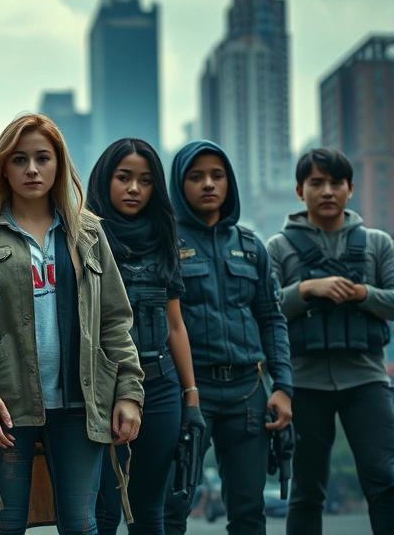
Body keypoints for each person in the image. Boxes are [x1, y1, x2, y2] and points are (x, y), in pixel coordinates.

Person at [0, 116, 143, 535]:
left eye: (43, 158)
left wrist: (129, 392)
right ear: (3, 166)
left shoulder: (88, 233)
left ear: (59, 165)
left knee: (82, 524)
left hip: (80, 402)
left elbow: (114, 320)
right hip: (6, 405)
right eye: (19, 159)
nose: (32, 170)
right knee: (4, 524)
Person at [162, 140, 293, 535]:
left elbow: (272, 318)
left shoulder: (252, 247)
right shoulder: (164, 244)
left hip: (247, 393)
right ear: (179, 184)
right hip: (188, 392)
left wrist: (283, 385)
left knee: (250, 512)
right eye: (196, 176)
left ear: (229, 183)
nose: (208, 184)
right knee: (173, 507)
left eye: (217, 176)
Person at [265, 148, 394, 535]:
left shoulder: (377, 243)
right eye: (316, 183)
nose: (327, 191)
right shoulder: (277, 248)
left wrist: (361, 294)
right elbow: (264, 310)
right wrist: (305, 287)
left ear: (350, 189)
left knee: (385, 480)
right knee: (306, 493)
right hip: (303, 384)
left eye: (336, 183)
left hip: (367, 381)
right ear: (299, 190)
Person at [86, 138, 203, 535]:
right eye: (124, 178)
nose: (134, 188)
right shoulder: (82, 237)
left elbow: (175, 325)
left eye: (145, 180)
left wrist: (191, 398)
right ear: (105, 180)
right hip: (100, 390)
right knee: (103, 514)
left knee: (149, 512)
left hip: (161, 387)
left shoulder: (165, 238)